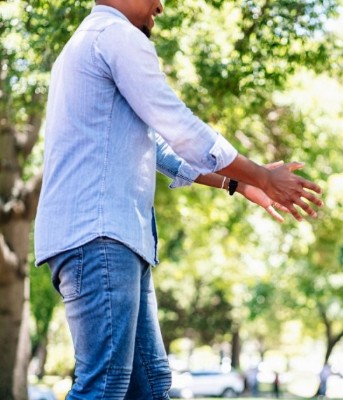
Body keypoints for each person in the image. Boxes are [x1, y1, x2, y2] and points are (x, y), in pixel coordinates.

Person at [33, 1, 323, 399]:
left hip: (110, 237)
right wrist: (262, 176)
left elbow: (160, 147)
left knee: (150, 387)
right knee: (104, 386)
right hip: (101, 237)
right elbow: (180, 127)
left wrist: (236, 183)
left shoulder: (86, 43)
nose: (161, 6)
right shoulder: (116, 37)